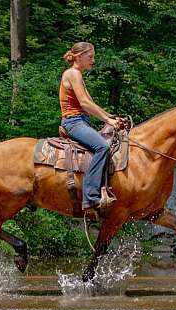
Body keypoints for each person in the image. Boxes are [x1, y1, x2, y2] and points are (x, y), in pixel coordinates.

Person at [59, 42, 121, 212]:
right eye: (90, 57)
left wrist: (112, 118)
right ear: (79, 57)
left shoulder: (78, 74)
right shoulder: (72, 73)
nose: (93, 61)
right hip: (74, 122)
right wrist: (109, 121)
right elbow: (85, 104)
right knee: (102, 146)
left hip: (82, 121)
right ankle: (90, 197)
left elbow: (91, 104)